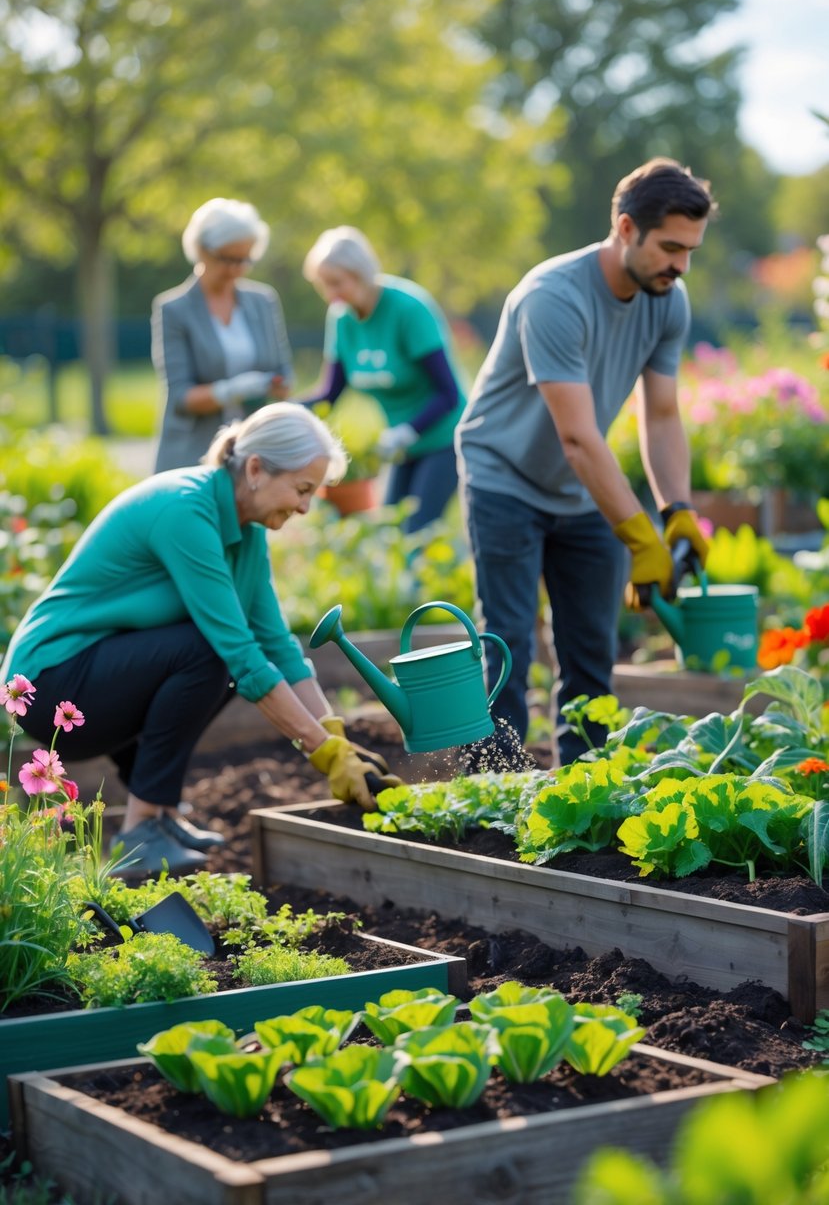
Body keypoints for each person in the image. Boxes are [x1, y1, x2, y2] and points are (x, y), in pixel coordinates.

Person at [1, 404, 400, 874]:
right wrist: (320, 749)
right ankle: (140, 829)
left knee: (216, 657)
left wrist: (339, 740)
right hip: (50, 684)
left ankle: (161, 816)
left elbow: (277, 647)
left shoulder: (245, 533)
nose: (305, 507)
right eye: (302, 489)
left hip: (100, 677)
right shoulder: (185, 510)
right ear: (255, 469)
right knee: (212, 652)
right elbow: (242, 655)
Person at [456, 158, 715, 766]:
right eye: (671, 247)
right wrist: (637, 533)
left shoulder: (666, 300)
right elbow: (576, 437)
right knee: (509, 643)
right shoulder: (554, 297)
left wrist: (676, 511)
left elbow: (661, 417)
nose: (681, 266)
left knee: (592, 651)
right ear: (626, 229)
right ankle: (496, 790)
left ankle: (583, 793)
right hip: (506, 478)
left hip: (581, 491)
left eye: (692, 251)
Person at [302, 226, 466, 532]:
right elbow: (330, 393)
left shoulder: (408, 308)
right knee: (390, 531)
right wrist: (282, 412)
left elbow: (449, 393)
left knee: (419, 529)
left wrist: (407, 431)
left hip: (444, 437)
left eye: (338, 283)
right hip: (401, 445)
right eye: (324, 286)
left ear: (361, 274)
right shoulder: (340, 318)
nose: (331, 295)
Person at [153, 197, 294, 473]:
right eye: (227, 259)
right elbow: (182, 397)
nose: (236, 269)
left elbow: (283, 373)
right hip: (194, 451)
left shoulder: (263, 301)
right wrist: (236, 389)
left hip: (253, 451)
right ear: (201, 250)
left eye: (244, 260)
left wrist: (276, 383)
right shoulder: (174, 309)